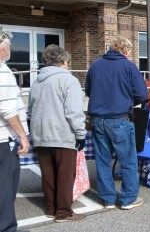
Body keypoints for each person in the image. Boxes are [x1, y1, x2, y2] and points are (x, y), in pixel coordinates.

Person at [85, 36, 148, 210]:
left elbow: (89, 90)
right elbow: (142, 94)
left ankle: (108, 199)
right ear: (126, 51)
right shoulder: (128, 66)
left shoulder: (95, 65)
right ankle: (128, 199)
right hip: (120, 119)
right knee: (128, 161)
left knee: (102, 161)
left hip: (98, 120)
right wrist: (127, 98)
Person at [28, 45, 87, 222]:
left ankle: (51, 208)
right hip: (62, 134)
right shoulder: (69, 80)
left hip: (41, 134)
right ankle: (63, 212)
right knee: (65, 175)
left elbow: (30, 110)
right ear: (63, 61)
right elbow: (74, 111)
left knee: (48, 175)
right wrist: (80, 134)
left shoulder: (37, 81)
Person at [0, 30, 30, 232]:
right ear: (2, 48)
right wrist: (22, 136)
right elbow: (7, 109)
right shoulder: (2, 71)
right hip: (3, 139)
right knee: (5, 186)